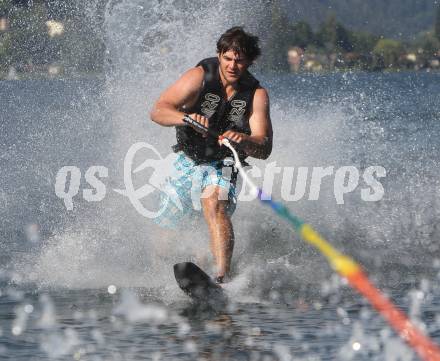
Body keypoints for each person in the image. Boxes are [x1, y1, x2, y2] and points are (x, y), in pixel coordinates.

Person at [150, 26, 273, 284]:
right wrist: (186, 118)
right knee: (163, 243)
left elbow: (264, 147)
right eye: (227, 58)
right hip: (187, 159)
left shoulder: (256, 95)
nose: (232, 66)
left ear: (250, 62)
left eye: (239, 61)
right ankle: (196, 265)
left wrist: (247, 139)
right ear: (219, 55)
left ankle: (221, 277)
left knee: (214, 202)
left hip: (224, 162)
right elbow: (159, 111)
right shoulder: (199, 77)